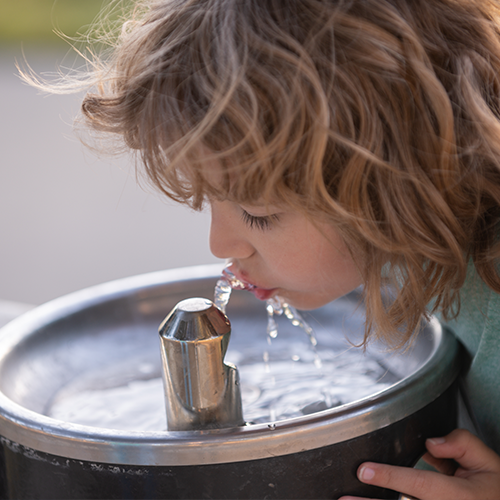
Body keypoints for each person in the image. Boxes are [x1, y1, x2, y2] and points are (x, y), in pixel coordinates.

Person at [29, 0, 500, 497]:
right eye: (212, 201)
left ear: (396, 182)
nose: (221, 244)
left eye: (259, 213)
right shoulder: (414, 237)